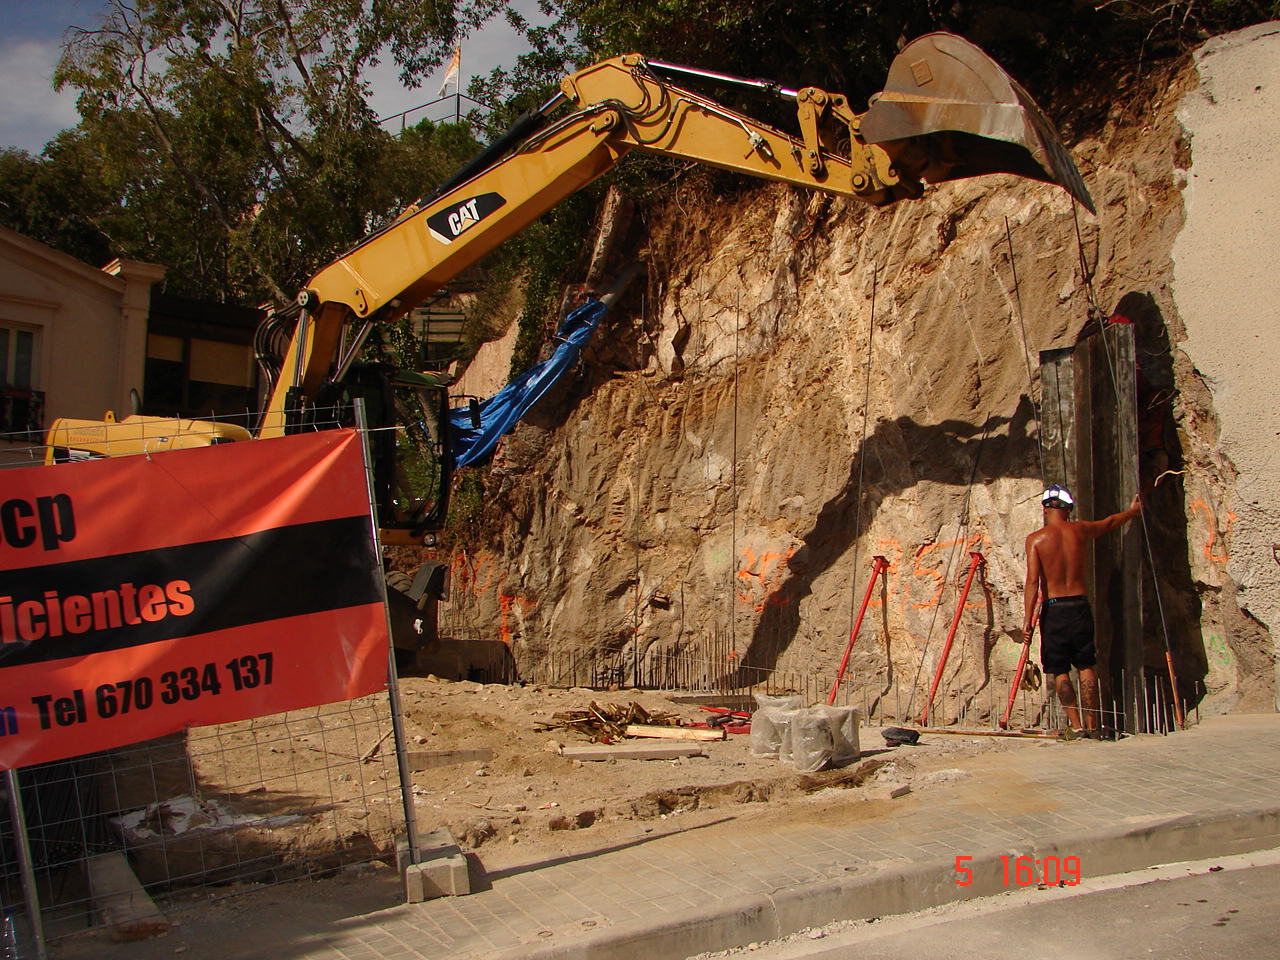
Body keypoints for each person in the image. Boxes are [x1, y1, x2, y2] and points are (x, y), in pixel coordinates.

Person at [1023, 484, 1142, 737]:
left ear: (1045, 509)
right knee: (1086, 664)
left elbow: (1033, 582)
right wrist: (1132, 512)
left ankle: (1075, 726)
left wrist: (1027, 620)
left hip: (1054, 608)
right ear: (1068, 509)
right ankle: (1092, 725)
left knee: (1059, 669)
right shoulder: (1078, 530)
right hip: (1079, 605)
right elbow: (1109, 523)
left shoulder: (1036, 540)